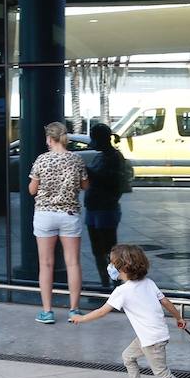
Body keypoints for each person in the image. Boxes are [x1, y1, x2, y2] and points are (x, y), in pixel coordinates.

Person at [69, 244, 190, 378]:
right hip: (150, 336)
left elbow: (101, 312)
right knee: (128, 357)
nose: (110, 267)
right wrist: (178, 317)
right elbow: (165, 302)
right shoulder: (148, 283)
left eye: (112, 263)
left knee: (161, 372)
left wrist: (81, 318)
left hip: (152, 339)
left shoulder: (122, 291)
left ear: (123, 268)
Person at [29, 121, 88, 324]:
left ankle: (47, 312)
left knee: (46, 264)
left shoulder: (41, 160)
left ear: (49, 139)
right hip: (69, 215)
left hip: (45, 214)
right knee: (73, 263)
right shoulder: (76, 160)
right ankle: (74, 310)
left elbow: (32, 190)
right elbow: (85, 185)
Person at [84, 123, 128, 287]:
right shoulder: (101, 156)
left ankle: (115, 283)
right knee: (98, 250)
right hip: (95, 208)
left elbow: (107, 180)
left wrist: (87, 171)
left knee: (109, 249)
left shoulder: (113, 157)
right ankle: (105, 282)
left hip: (106, 208)